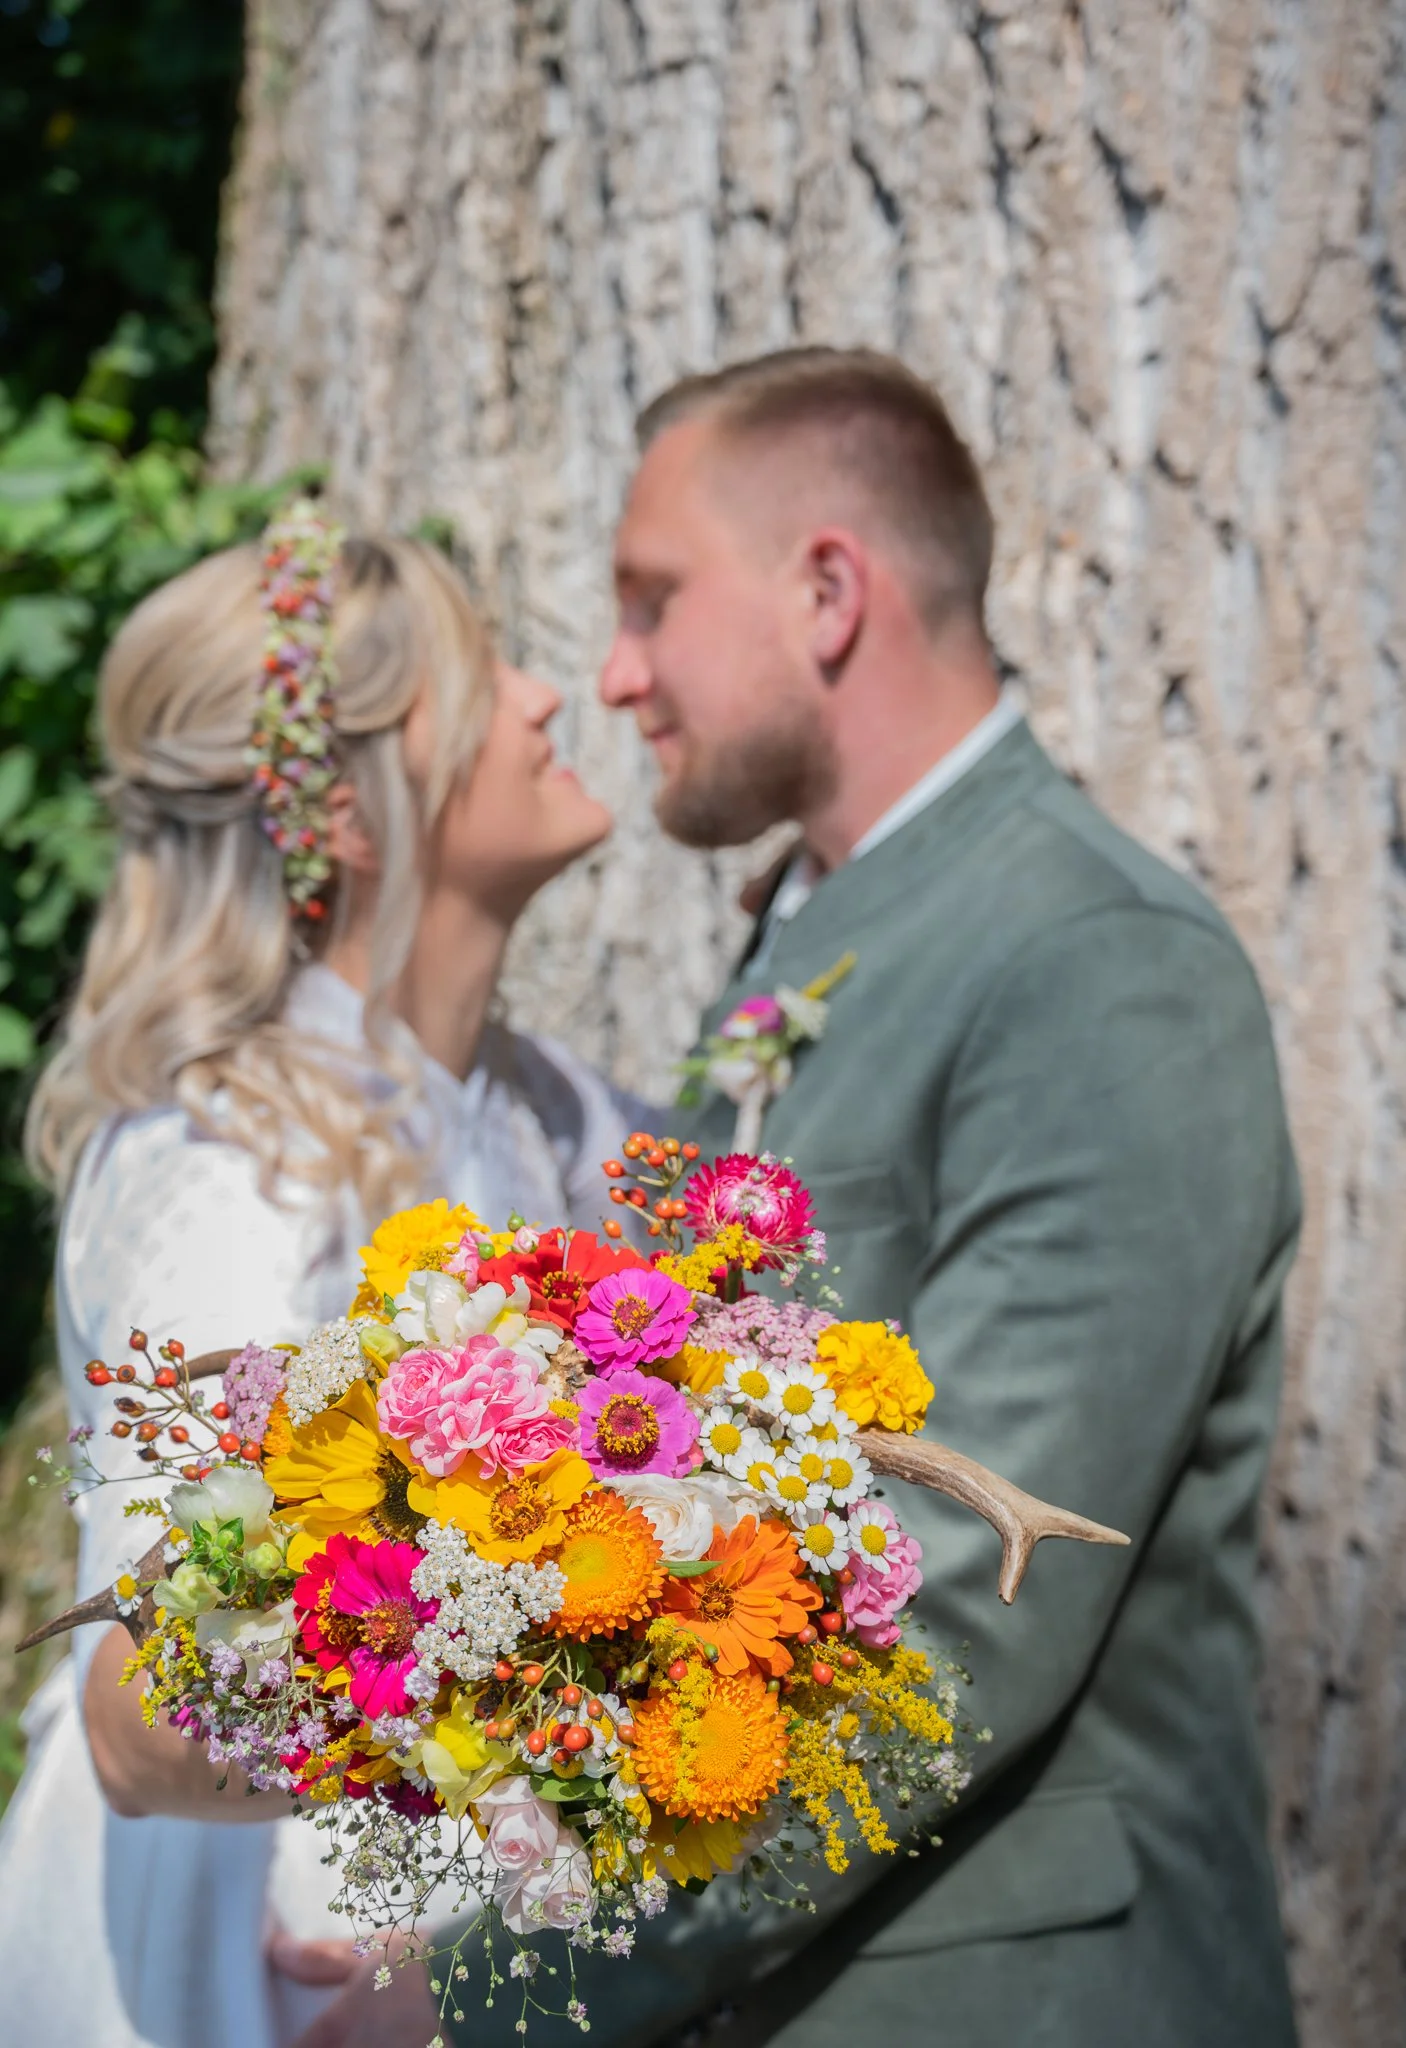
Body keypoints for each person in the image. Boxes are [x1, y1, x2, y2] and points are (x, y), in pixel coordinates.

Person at [296, 345, 1298, 2048]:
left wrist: (503, 1993)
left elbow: (966, 1606)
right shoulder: (824, 935)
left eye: (652, 601)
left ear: (827, 590)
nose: (614, 676)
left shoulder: (1093, 963)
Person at [0, 507, 641, 2048]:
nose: (552, 699)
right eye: (487, 680)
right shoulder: (231, 1174)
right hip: (259, 1962)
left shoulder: (553, 1114)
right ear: (352, 814)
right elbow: (150, 1722)